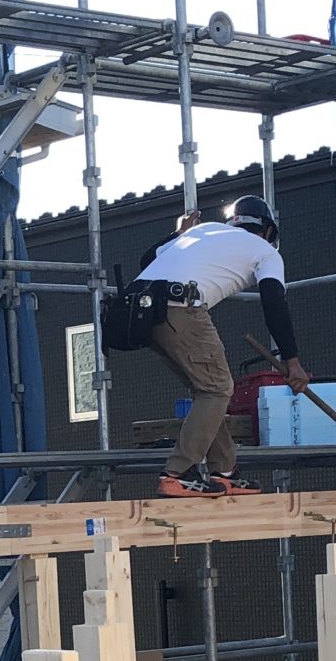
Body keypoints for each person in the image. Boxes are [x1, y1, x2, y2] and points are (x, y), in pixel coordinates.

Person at [126, 194, 311, 498]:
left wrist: (179, 233)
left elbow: (148, 260)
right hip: (180, 306)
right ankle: (178, 473)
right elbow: (274, 303)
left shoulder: (204, 230)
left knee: (208, 390)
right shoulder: (266, 251)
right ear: (268, 230)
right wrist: (292, 361)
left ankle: (224, 471)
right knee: (218, 389)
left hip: (141, 312)